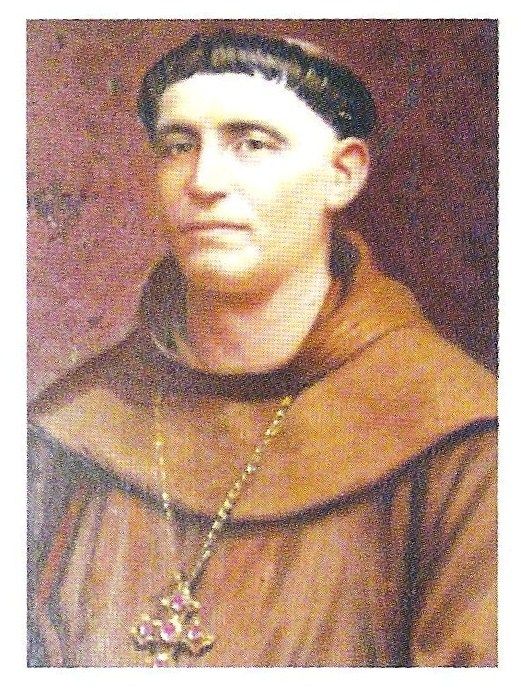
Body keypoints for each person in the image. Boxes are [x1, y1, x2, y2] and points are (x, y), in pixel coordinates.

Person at [27, 31, 497, 667]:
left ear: (343, 173)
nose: (204, 181)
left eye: (252, 143)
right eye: (178, 145)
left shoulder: (463, 436)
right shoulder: (67, 430)